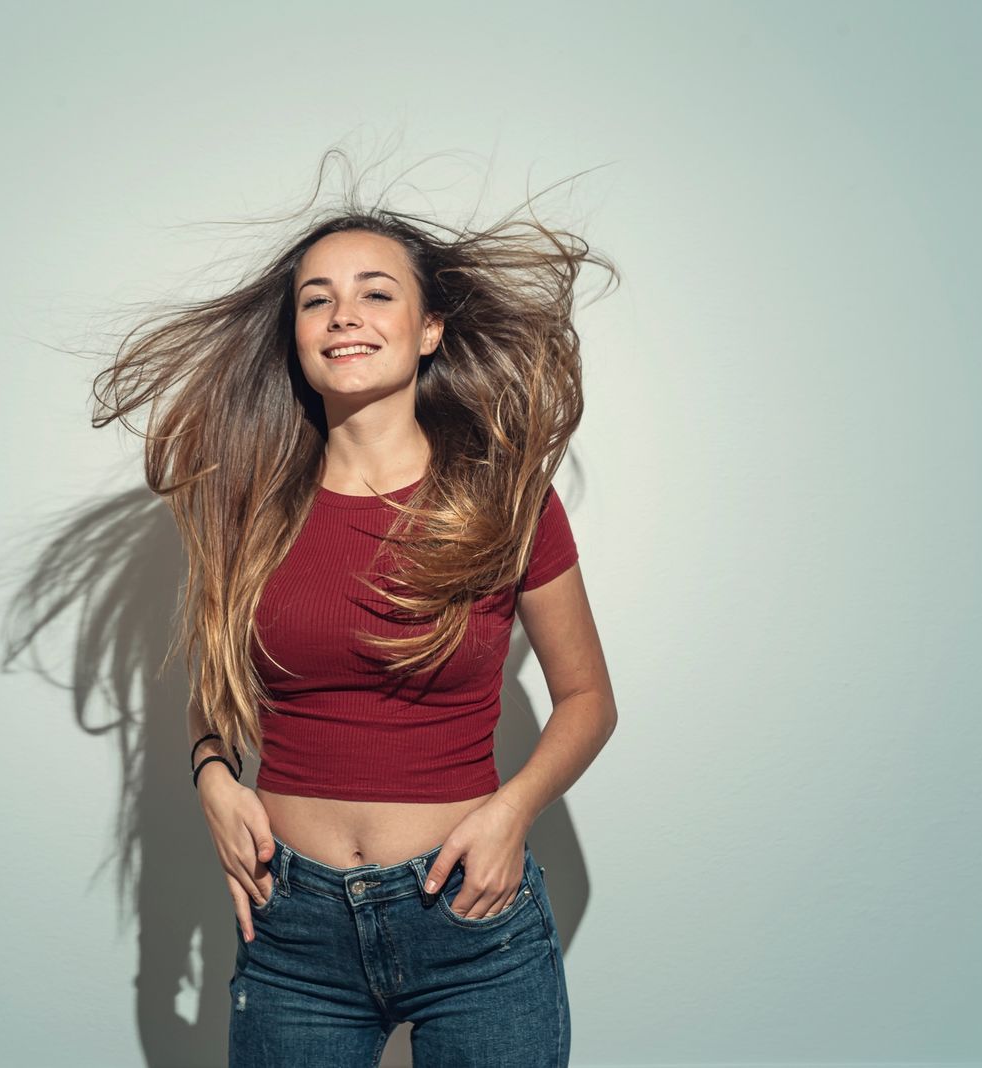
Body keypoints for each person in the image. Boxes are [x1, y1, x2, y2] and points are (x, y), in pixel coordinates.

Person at [94, 165, 618, 1067]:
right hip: (292, 932)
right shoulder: (244, 508)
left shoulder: (506, 502)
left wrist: (512, 812)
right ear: (295, 334)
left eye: (377, 293)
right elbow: (216, 689)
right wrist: (213, 775)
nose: (344, 315)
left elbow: (587, 699)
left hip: (470, 921)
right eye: (316, 300)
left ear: (429, 329)